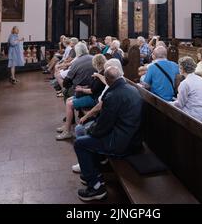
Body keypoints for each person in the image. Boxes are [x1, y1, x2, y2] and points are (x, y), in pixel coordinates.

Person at [74, 64, 143, 201]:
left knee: (80, 143)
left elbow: (103, 127)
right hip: (133, 138)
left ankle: (95, 187)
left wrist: (90, 130)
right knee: (89, 138)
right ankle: (94, 174)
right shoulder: (132, 89)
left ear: (108, 80)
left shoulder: (113, 95)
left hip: (121, 143)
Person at [56, 54, 106, 140]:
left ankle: (67, 132)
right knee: (69, 99)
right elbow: (92, 86)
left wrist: (81, 90)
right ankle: (66, 126)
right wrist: (82, 87)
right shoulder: (99, 73)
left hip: (94, 99)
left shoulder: (101, 74)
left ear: (96, 63)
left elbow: (93, 90)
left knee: (69, 104)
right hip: (93, 96)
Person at [171, 56, 202, 123]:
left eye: (179, 67)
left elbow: (180, 104)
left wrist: (169, 103)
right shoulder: (201, 79)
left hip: (194, 117)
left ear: (182, 69)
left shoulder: (185, 83)